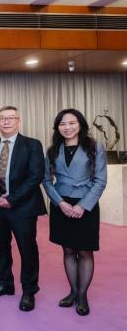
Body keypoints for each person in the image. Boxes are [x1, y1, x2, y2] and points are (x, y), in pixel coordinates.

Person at [0, 106, 45, 312]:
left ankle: (29, 290)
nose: (6, 122)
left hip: (23, 207)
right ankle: (5, 284)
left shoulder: (32, 145)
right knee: (1, 247)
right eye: (2, 118)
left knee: (27, 249)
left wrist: (12, 199)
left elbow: (36, 176)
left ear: (19, 121)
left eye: (11, 118)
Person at [43, 109, 107, 316]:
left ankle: (82, 295)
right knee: (68, 250)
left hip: (86, 204)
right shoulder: (53, 150)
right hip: (61, 204)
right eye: (63, 124)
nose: (67, 127)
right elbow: (45, 180)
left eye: (72, 123)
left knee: (85, 251)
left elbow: (100, 180)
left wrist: (82, 206)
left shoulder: (95, 147)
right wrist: (59, 203)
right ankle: (72, 292)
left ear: (80, 124)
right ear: (57, 127)